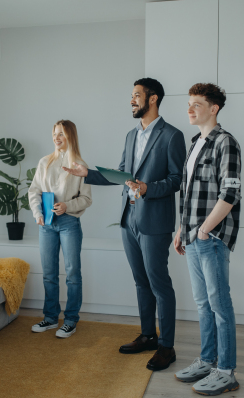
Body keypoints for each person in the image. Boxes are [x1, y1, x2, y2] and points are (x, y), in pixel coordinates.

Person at [63, 78, 186, 370]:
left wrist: (147, 189)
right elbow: (122, 174)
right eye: (131, 96)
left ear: (153, 99)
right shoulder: (131, 135)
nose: (131, 101)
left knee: (159, 284)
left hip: (154, 221)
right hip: (128, 219)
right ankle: (148, 336)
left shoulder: (172, 136)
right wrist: (87, 173)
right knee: (141, 282)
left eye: (136, 96)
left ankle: (167, 347)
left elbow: (177, 179)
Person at [172, 83, 242, 395]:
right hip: (192, 235)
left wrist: (203, 230)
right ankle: (207, 360)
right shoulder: (194, 143)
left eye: (197, 104)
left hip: (211, 237)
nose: (190, 109)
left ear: (213, 108)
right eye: (189, 103)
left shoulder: (225, 142)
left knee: (219, 305)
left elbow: (230, 193)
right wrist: (181, 230)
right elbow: (188, 195)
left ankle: (226, 371)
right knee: (203, 304)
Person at [28, 120, 92, 338]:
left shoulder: (80, 166)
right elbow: (34, 191)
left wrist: (67, 206)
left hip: (68, 223)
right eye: (55, 134)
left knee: (73, 273)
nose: (57, 138)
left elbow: (86, 199)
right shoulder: (44, 162)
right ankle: (50, 317)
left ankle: (71, 320)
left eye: (62, 134)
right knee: (49, 274)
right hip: (46, 224)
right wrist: (38, 214)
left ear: (70, 137)